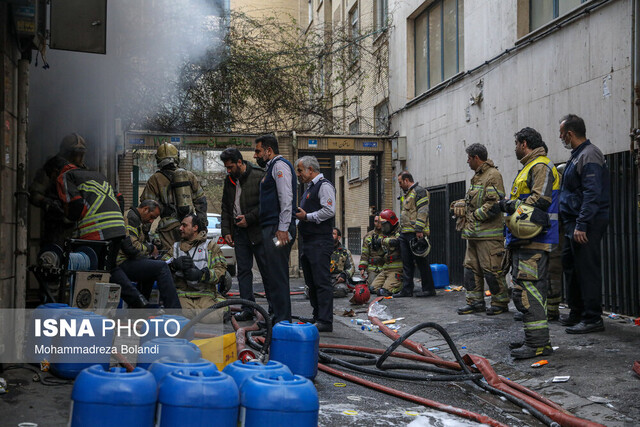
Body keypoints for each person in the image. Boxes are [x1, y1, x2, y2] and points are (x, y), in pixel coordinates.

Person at [498, 127, 559, 359]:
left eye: (516, 143)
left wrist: (509, 205)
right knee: (523, 291)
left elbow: (540, 200)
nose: (514, 148)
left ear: (524, 143)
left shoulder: (540, 165)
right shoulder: (529, 167)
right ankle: (534, 339)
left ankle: (538, 345)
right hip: (524, 240)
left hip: (535, 240)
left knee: (529, 292)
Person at [558, 114, 610, 334]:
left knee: (586, 269)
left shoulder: (589, 155)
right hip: (573, 222)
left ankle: (592, 318)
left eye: (561, 134)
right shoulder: (577, 155)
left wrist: (582, 224)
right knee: (572, 268)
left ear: (570, 133)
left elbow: (592, 193)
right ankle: (577, 313)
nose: (560, 137)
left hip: (585, 223)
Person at [453, 143, 509, 316]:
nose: (467, 161)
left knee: (492, 270)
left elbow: (493, 204)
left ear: (476, 158)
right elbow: (474, 201)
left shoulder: (493, 175)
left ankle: (499, 303)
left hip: (488, 236)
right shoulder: (477, 177)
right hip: (473, 234)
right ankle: (475, 302)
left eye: (469, 158)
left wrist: (473, 215)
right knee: (470, 270)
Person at [220, 147, 269, 322]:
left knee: (266, 270)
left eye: (231, 167)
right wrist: (226, 231)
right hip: (239, 232)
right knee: (243, 272)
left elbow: (267, 204)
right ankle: (247, 309)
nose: (228, 170)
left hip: (258, 231)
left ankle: (273, 310)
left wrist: (249, 218)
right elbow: (226, 207)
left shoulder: (259, 175)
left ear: (240, 162)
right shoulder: (229, 180)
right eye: (226, 167)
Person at [254, 134, 297, 324]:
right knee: (272, 273)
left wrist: (283, 228)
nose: (256, 156)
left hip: (277, 230)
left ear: (268, 151)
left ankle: (282, 320)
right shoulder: (271, 168)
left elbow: (286, 198)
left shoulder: (280, 166)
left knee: (278, 274)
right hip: (271, 228)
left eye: (258, 151)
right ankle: (276, 316)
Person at [56, 159, 126, 270]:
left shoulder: (65, 176)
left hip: (96, 233)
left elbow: (76, 204)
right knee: (110, 269)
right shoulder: (98, 175)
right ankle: (129, 288)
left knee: (90, 272)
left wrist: (68, 220)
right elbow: (120, 198)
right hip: (118, 229)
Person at [111, 199, 181, 309]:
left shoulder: (136, 219)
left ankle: (138, 312)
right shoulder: (131, 218)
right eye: (152, 217)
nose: (151, 221)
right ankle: (175, 311)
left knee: (152, 267)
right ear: (145, 209)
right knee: (161, 267)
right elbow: (131, 247)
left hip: (127, 261)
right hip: (122, 262)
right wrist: (150, 248)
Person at [294, 156, 336, 332]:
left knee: (321, 281)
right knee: (311, 282)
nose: (298, 174)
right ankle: (318, 315)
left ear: (311, 170)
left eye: (300, 170)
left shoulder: (324, 186)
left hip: (320, 241)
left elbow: (329, 210)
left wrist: (307, 217)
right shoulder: (308, 189)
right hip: (309, 241)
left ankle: (325, 321)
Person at [141, 142, 207, 251]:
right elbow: (201, 201)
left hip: (167, 228)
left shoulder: (155, 179)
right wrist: (202, 225)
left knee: (169, 257)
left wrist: (144, 232)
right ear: (177, 157)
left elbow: (147, 209)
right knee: (190, 256)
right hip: (189, 226)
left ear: (158, 159)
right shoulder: (189, 176)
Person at [165, 213, 227, 322]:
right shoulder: (175, 247)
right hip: (182, 295)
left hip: (205, 294)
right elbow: (161, 267)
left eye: (184, 225)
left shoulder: (210, 247)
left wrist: (201, 275)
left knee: (212, 317)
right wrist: (173, 264)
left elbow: (220, 271)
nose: (180, 228)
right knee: (179, 316)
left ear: (195, 228)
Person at [29, 133, 87, 246]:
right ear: (68, 154)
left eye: (82, 154)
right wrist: (48, 203)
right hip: (56, 227)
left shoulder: (83, 171)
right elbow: (34, 193)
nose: (80, 158)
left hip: (77, 228)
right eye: (77, 154)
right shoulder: (52, 169)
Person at [395, 171, 436, 298]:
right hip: (405, 232)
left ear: (407, 180)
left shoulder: (419, 191)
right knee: (407, 263)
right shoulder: (407, 194)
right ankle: (407, 290)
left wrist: (419, 230)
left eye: (400, 182)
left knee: (421, 262)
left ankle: (429, 289)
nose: (400, 185)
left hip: (414, 233)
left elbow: (423, 211)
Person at [370, 209, 403, 296]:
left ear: (391, 223)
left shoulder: (400, 231)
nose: (383, 228)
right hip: (386, 268)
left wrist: (381, 241)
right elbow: (383, 254)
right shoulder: (387, 234)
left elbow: (396, 242)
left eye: (385, 225)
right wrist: (377, 248)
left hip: (397, 269)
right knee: (373, 289)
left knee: (385, 291)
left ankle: (402, 284)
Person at [359, 214, 385, 287]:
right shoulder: (368, 236)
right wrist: (362, 268)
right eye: (376, 221)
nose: (378, 223)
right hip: (373, 268)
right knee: (372, 287)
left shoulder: (388, 235)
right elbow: (365, 253)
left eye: (380, 221)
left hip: (385, 267)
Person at [329, 228, 355, 298]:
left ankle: (323, 293)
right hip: (323, 278)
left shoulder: (345, 252)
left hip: (337, 280)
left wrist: (344, 275)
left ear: (339, 237)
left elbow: (351, 268)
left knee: (342, 290)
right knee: (309, 290)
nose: (331, 235)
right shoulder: (322, 249)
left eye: (333, 234)